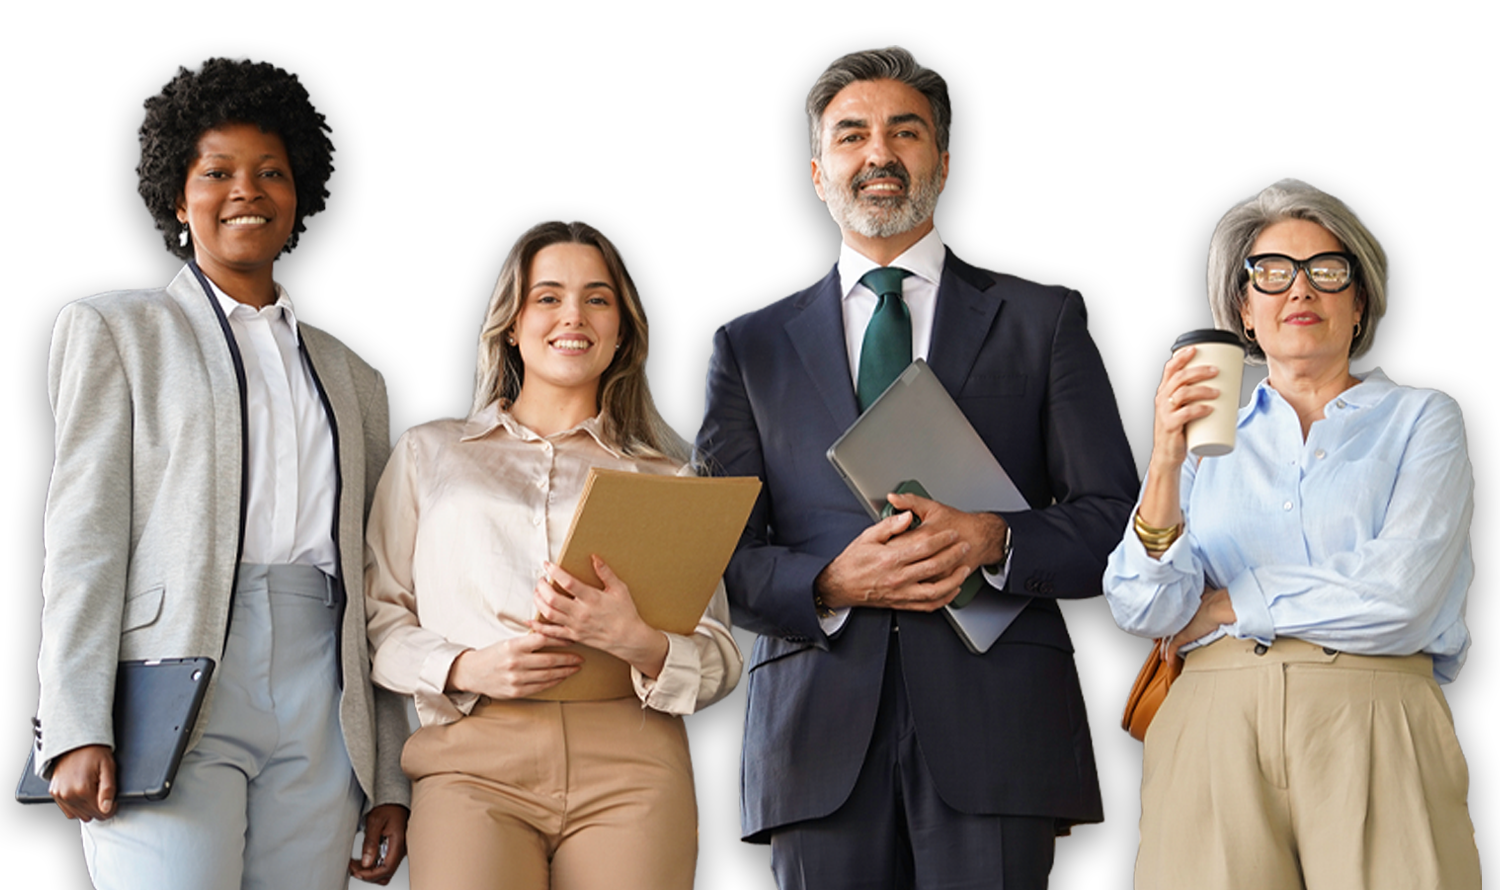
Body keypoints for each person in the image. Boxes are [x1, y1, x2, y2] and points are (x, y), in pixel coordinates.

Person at [693, 46, 1140, 888]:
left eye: (906, 131)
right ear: (818, 171)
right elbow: (717, 558)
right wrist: (829, 583)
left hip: (1002, 729)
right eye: (852, 134)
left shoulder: (1045, 319)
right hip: (814, 736)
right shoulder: (747, 347)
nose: (879, 153)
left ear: (943, 160)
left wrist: (993, 539)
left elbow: (1117, 522)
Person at [35, 56, 410, 888]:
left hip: (324, 694)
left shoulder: (354, 377)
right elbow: (84, 540)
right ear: (178, 195)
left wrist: (389, 774)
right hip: (167, 689)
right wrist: (71, 720)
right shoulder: (114, 330)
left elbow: (383, 582)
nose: (248, 189)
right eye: (219, 172)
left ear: (298, 195)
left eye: (271, 172)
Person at [1103, 178, 1480, 890]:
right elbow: (1140, 607)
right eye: (1272, 274)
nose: (1299, 291)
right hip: (1211, 722)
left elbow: (1401, 598)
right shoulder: (1203, 446)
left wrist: (1224, 604)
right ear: (1244, 309)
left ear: (1359, 298)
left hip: (1379, 718)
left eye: (1326, 271)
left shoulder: (1422, 420)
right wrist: (1164, 458)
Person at [364, 219, 743, 890]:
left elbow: (719, 655)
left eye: (598, 298)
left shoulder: (672, 475)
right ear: (512, 323)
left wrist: (640, 642)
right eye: (548, 296)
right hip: (471, 759)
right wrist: (465, 664)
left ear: (622, 328)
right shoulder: (430, 452)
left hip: (634, 761)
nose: (574, 315)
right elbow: (378, 621)